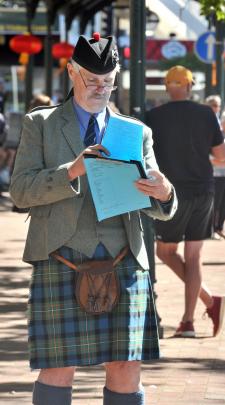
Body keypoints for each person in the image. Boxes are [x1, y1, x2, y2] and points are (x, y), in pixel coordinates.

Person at [10, 34, 177, 405]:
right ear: (71, 72)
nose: (101, 88)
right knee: (57, 366)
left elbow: (157, 198)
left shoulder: (136, 131)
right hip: (60, 255)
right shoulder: (42, 123)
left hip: (126, 260)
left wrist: (164, 193)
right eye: (92, 79)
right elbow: (20, 191)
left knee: (126, 365)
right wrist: (71, 170)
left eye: (108, 81)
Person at [145, 65, 225, 339]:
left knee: (165, 252)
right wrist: (203, 156)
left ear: (168, 87)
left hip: (171, 194)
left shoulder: (153, 116)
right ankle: (191, 319)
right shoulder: (206, 114)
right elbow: (222, 155)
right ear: (190, 86)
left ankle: (208, 302)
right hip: (204, 189)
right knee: (194, 257)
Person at [210, 111, 225, 239]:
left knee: (223, 204)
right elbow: (212, 159)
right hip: (215, 175)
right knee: (216, 203)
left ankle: (219, 228)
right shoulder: (216, 136)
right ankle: (213, 229)